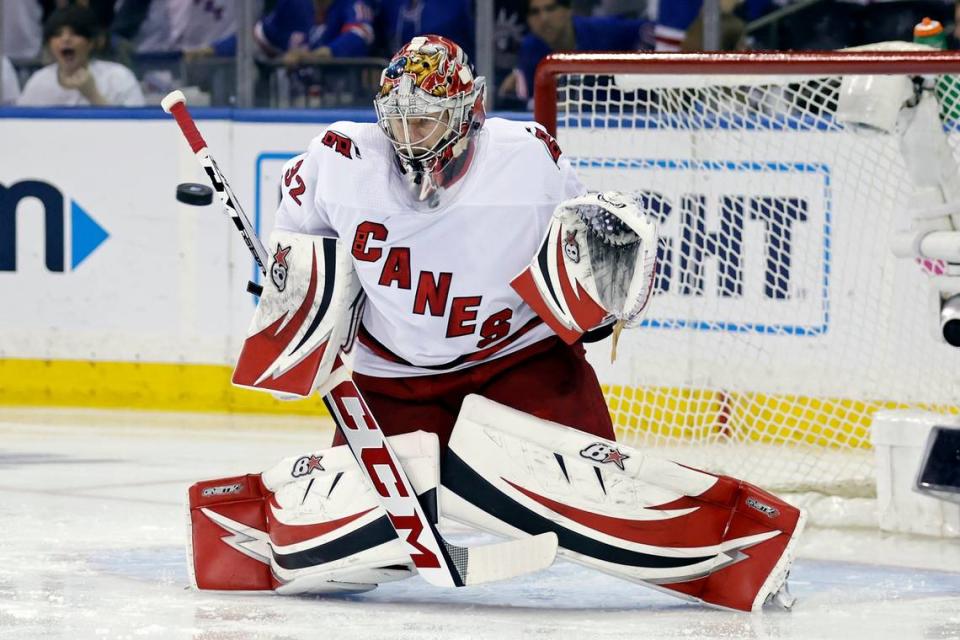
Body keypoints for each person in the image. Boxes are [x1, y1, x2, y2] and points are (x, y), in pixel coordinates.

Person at [187, 35, 804, 613]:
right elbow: (301, 245)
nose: (407, 135)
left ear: (467, 113)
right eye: (396, 117)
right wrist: (293, 287)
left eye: (425, 117)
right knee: (372, 540)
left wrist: (600, 297)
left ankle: (731, 546)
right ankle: (256, 523)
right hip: (389, 374)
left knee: (590, 492)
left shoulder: (526, 159)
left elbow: (584, 247)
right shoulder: (339, 158)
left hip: (514, 359)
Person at [500, 0, 653, 107]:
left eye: (550, 8)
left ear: (568, 10)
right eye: (535, 12)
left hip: (627, 122)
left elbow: (651, 30)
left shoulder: (604, 31)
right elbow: (529, 106)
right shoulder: (530, 49)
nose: (544, 18)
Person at [18, 6, 145, 106]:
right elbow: (18, 125)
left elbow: (135, 128)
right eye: (57, 34)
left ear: (91, 43)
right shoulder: (38, 81)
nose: (66, 39)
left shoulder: (119, 77)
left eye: (75, 34)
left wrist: (92, 94)